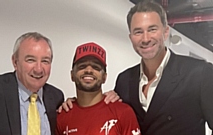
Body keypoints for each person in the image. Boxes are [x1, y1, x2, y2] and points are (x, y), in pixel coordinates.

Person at [61, 1, 213, 135]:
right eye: (138, 32)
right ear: (131, 37)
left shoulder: (199, 73)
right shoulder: (125, 80)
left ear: (166, 32)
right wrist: (74, 103)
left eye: (152, 29)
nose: (146, 39)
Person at [0, 32, 64, 135]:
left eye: (45, 61)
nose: (38, 69)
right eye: (31, 60)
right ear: (15, 62)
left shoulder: (56, 97)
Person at [55, 42, 141, 135]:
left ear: (104, 77)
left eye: (96, 67)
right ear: (72, 75)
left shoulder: (123, 112)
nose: (89, 70)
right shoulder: (62, 115)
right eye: (82, 66)